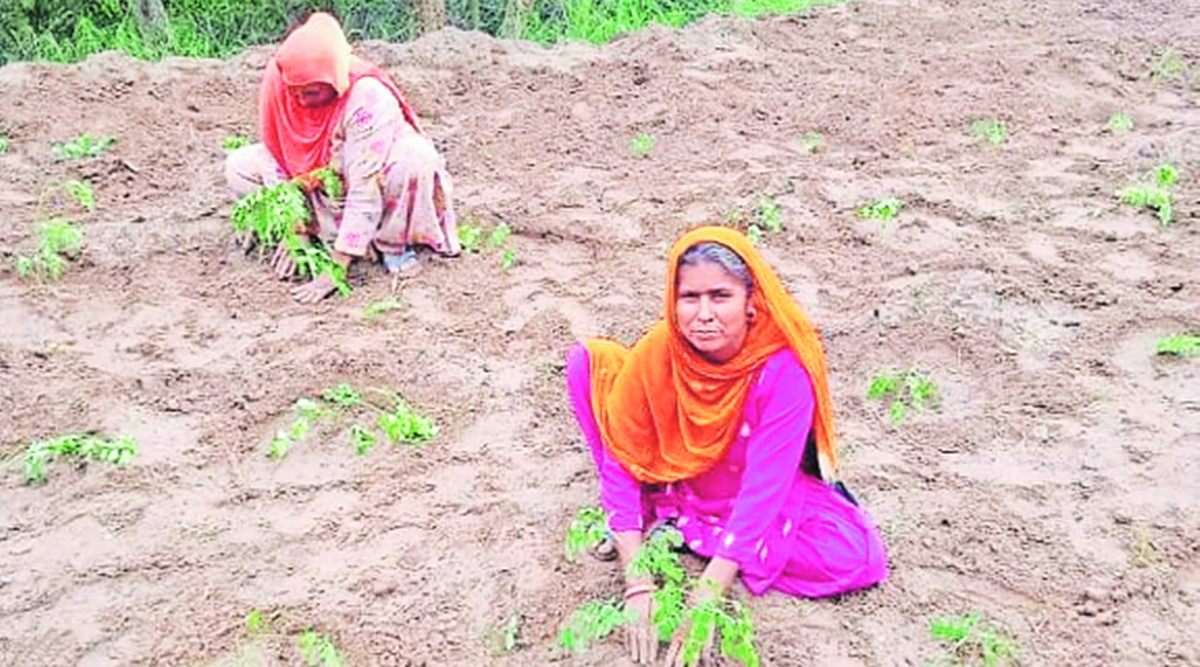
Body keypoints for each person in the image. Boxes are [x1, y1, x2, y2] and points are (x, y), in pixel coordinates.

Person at [565, 226, 888, 665]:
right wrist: (637, 581)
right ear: (672, 301)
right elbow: (625, 457)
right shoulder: (661, 351)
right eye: (689, 298)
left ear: (750, 300)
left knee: (856, 558)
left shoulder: (784, 370)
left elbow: (765, 488)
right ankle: (657, 518)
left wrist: (707, 594)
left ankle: (683, 530)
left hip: (736, 492)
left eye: (720, 296)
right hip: (671, 474)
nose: (703, 314)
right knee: (588, 365)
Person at [225, 12, 460, 303]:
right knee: (238, 167)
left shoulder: (367, 97)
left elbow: (366, 186)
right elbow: (278, 157)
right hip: (318, 185)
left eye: (310, 92)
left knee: (415, 162)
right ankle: (319, 235)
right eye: (293, 92)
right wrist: (295, 232)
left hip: (372, 179)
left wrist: (334, 270)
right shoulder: (280, 79)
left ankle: (390, 242)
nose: (299, 101)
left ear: (333, 80)